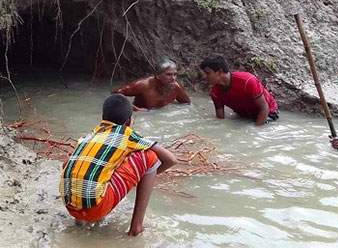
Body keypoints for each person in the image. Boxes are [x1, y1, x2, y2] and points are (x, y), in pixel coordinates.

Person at [59, 94, 178, 236]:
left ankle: (80, 221)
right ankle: (136, 227)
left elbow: (66, 164)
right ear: (129, 121)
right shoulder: (126, 134)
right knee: (150, 157)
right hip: (96, 207)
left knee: (92, 169)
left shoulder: (89, 136)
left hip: (71, 208)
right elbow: (171, 159)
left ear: (102, 117)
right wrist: (139, 177)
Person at [200, 56, 279, 126]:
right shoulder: (215, 92)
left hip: (268, 113)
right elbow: (220, 119)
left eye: (207, 73)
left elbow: (264, 108)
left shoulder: (247, 81)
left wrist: (256, 132)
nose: (204, 76)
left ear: (220, 72)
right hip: (244, 116)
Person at [112, 59, 190, 111]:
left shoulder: (175, 87)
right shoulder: (142, 85)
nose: (173, 78)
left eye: (175, 74)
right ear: (157, 75)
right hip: (141, 118)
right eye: (169, 74)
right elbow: (115, 94)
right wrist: (136, 109)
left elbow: (187, 104)